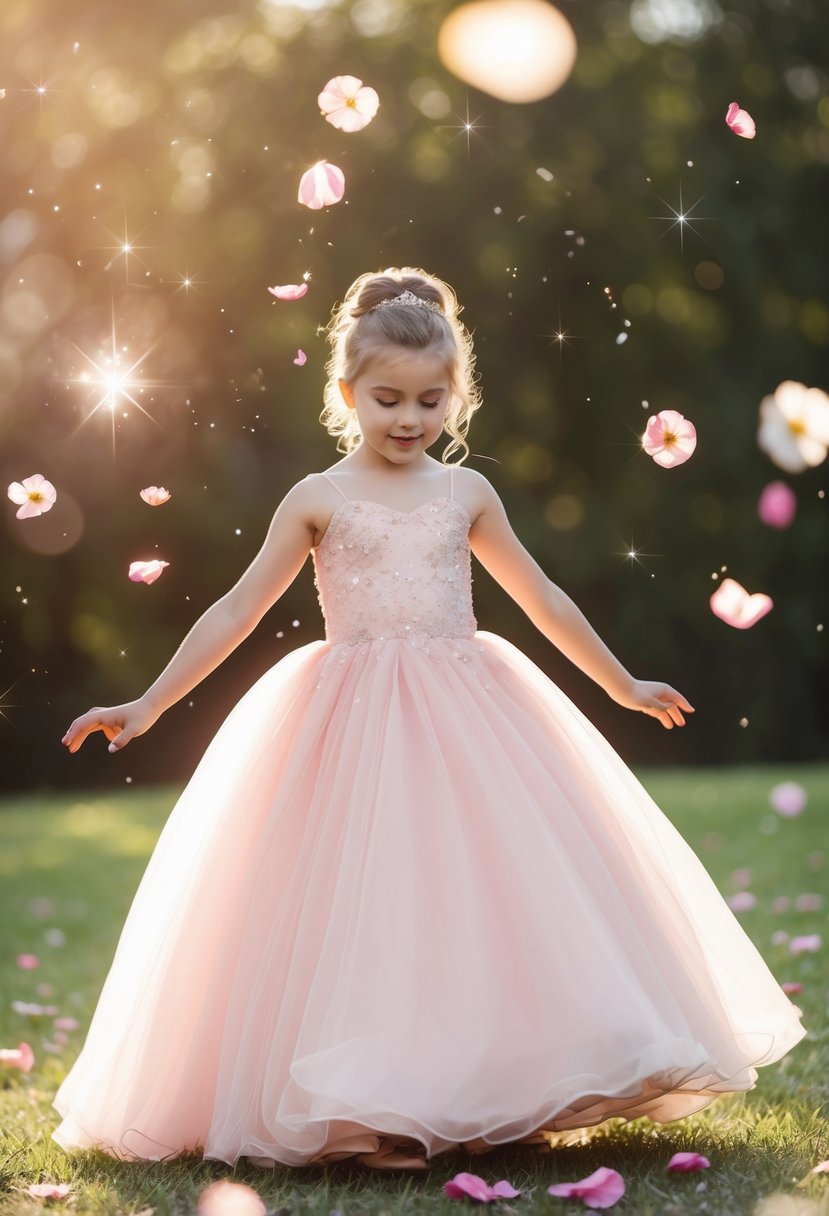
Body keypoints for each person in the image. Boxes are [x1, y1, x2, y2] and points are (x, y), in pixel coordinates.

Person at [52, 267, 806, 1174]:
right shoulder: (317, 498)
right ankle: (373, 1109)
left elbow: (541, 596)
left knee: (486, 899)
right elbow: (235, 611)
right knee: (372, 909)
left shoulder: (465, 496)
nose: (408, 419)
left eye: (429, 400)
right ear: (345, 395)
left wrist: (616, 683)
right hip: (350, 726)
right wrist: (148, 703)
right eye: (386, 399)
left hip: (470, 717)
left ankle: (500, 1088)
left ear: (457, 394)